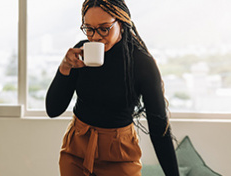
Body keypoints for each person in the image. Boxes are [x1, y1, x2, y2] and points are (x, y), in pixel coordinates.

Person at [46, 0, 179, 175]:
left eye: (104, 28)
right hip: (76, 151)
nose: (95, 36)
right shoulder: (81, 53)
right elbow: (53, 110)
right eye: (89, 29)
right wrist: (64, 68)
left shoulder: (141, 64)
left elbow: (159, 128)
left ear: (122, 23)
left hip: (120, 155)